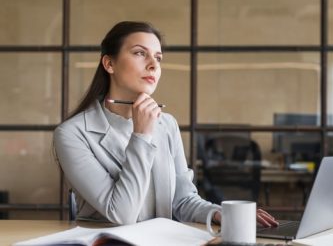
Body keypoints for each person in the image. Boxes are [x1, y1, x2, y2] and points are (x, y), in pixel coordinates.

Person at [54, 21, 278, 226]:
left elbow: (182, 201)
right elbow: (121, 214)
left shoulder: (167, 124)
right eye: (140, 53)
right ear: (109, 64)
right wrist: (141, 135)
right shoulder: (72, 134)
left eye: (158, 58)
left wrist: (221, 213)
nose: (153, 65)